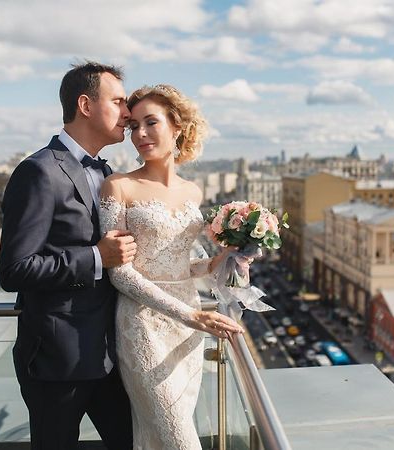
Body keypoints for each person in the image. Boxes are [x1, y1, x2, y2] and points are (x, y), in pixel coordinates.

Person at [0, 62, 136, 450]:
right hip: (58, 362)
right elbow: (14, 269)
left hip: (110, 356)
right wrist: (95, 257)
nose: (128, 113)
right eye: (119, 101)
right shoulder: (39, 171)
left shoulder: (106, 171)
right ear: (85, 105)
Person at [99, 84, 244, 450]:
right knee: (180, 440)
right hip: (142, 327)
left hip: (189, 332)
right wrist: (191, 316)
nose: (141, 134)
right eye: (134, 126)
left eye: (151, 123)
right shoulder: (117, 187)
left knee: (161, 439)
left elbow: (183, 266)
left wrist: (225, 257)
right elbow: (120, 273)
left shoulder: (193, 192)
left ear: (177, 126)